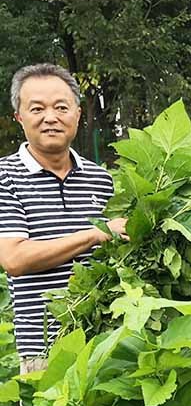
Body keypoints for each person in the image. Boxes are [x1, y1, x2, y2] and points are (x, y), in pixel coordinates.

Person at [0, 64, 126, 374]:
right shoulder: (5, 176)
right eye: (37, 109)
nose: (50, 117)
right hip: (45, 353)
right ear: (19, 117)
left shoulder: (100, 179)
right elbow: (14, 258)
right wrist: (96, 233)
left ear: (78, 114)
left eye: (61, 107)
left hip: (107, 344)